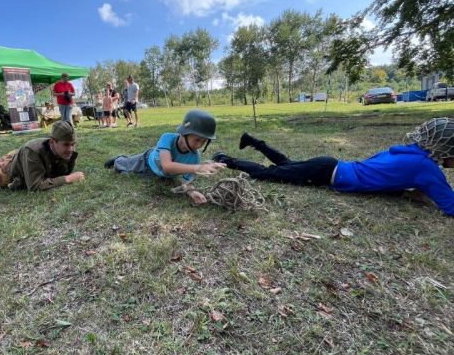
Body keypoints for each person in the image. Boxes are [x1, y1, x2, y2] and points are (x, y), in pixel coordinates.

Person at [212, 117, 454, 216]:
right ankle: (225, 159)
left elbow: (379, 175)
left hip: (330, 166)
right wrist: (411, 192)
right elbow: (450, 206)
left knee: (285, 164)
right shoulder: (426, 168)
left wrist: (404, 192)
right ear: (446, 149)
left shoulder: (405, 151)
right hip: (326, 173)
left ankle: (252, 141)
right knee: (268, 173)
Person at [104, 109, 227, 204]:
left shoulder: (195, 158)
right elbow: (167, 166)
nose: (199, 145)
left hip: (157, 174)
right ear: (184, 133)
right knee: (121, 166)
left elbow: (187, 182)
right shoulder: (167, 138)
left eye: (204, 141)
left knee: (131, 175)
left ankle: (127, 169)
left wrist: (192, 192)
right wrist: (198, 168)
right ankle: (119, 159)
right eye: (197, 140)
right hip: (145, 161)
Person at [0, 120, 85, 191]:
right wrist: (68, 179)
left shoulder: (64, 150)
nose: (71, 149)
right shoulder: (34, 151)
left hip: (21, 157)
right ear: (52, 141)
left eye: (73, 144)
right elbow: (35, 186)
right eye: (66, 145)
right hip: (6, 170)